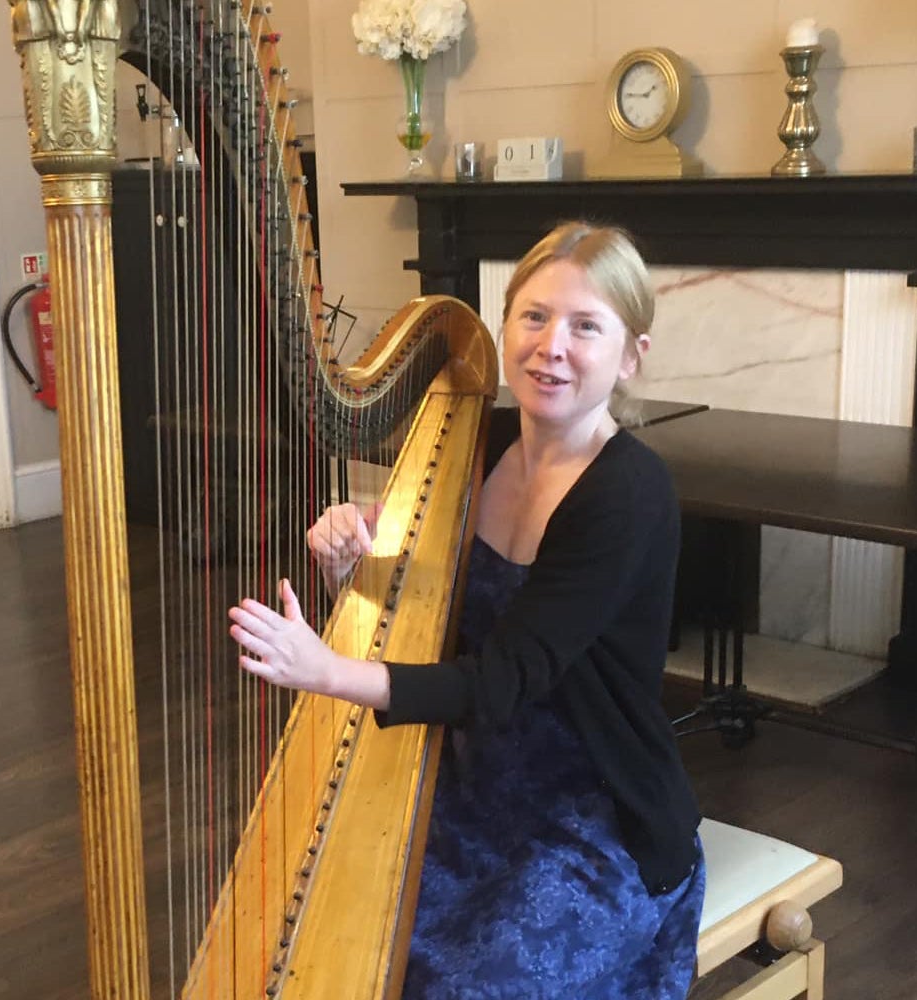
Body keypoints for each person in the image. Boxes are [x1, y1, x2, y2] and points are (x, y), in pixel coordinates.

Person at [227, 221, 704, 998]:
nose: (553, 345)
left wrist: (326, 671)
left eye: (586, 326)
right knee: (327, 953)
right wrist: (350, 570)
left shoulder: (628, 492)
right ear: (504, 323)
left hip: (592, 815)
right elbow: (432, 620)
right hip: (467, 789)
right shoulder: (475, 439)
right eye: (535, 315)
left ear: (630, 356)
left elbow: (497, 682)